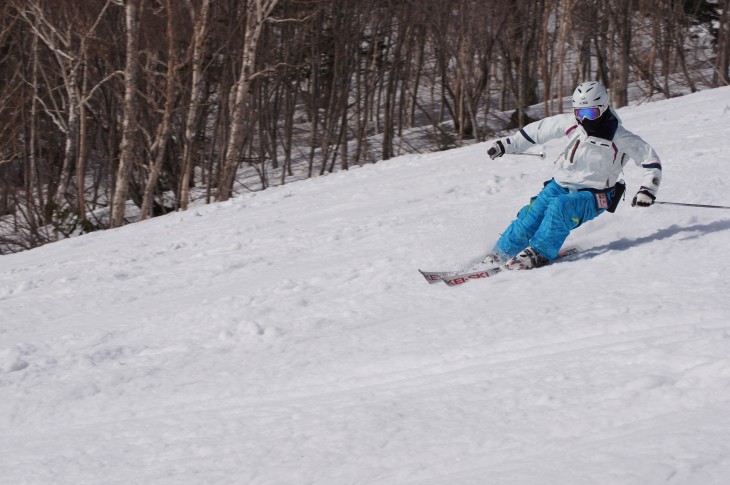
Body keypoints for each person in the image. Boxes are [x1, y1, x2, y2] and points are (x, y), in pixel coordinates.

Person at [486, 81, 662, 269]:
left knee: (560, 207)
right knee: (531, 216)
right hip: (559, 184)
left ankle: (540, 252)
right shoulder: (572, 124)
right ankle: (500, 254)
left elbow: (650, 160)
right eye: (580, 113)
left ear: (603, 108)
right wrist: (507, 144)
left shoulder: (620, 137)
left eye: (590, 113)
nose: (584, 120)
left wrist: (647, 190)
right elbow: (538, 131)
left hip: (595, 195)